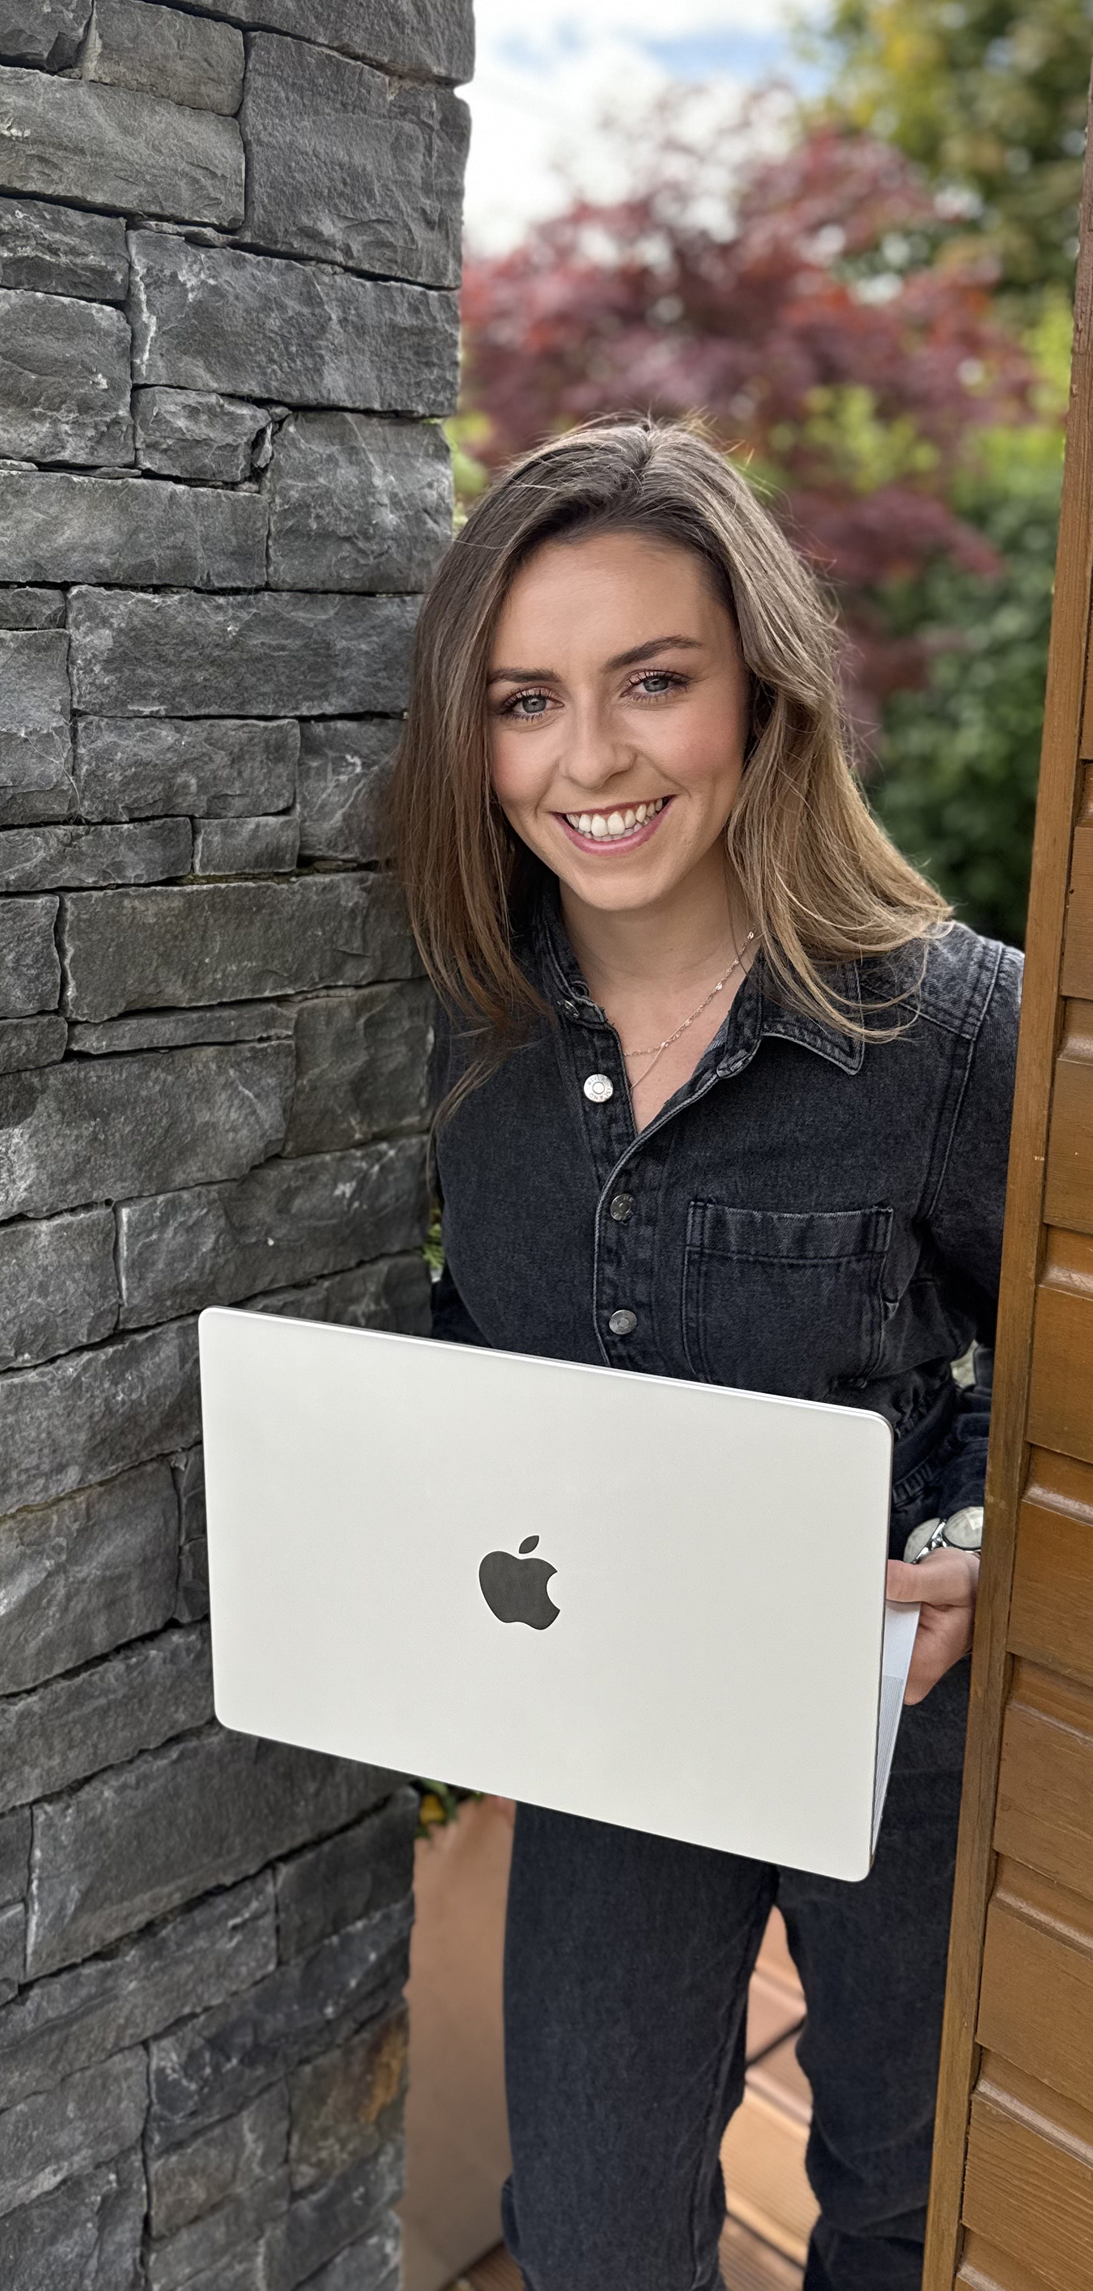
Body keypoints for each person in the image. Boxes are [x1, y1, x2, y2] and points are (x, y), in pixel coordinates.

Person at [388, 418, 1018, 2291]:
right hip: (614, 1713)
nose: (586, 758)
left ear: (759, 691)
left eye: (649, 681)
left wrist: (988, 1533)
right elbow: (450, 1343)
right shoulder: (459, 1027)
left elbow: (1050, 1366)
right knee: (584, 2230)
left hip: (890, 1719)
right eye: (523, 699)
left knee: (905, 2210)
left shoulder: (944, 1030)